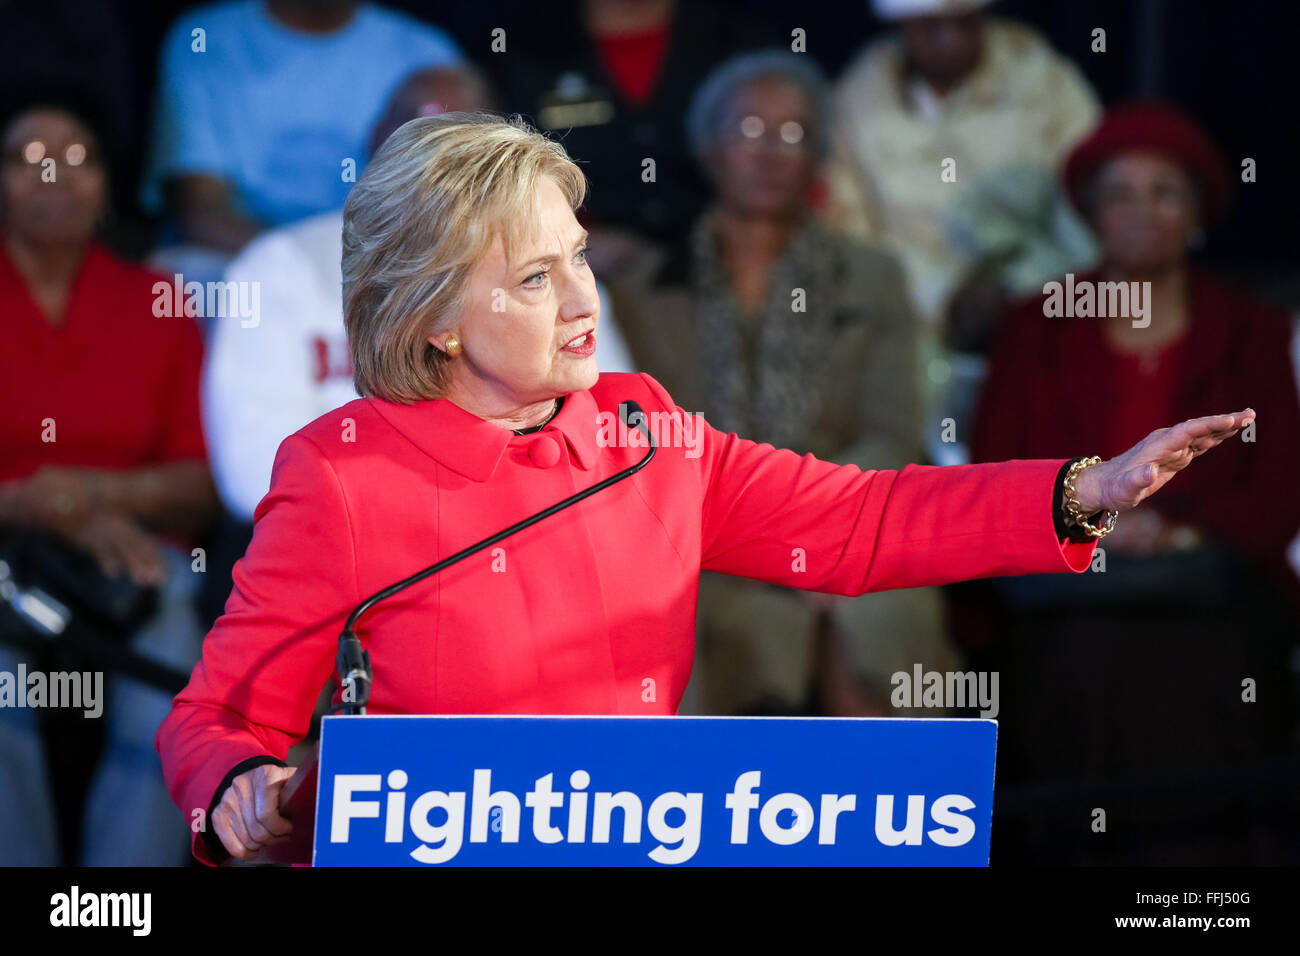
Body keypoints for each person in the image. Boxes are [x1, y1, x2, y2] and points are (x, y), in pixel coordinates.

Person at [152, 112, 1254, 865]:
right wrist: (241, 784)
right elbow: (219, 716)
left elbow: (855, 520)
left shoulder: (645, 430)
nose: (583, 296)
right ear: (434, 316)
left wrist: (1080, 491)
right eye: (535, 277)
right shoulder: (343, 473)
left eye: (578, 255)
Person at [967, 102, 1300, 803]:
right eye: (1119, 194)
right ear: (1091, 216)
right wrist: (1104, 530)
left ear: (1198, 211)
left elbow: (1277, 488)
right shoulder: (1036, 328)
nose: (1141, 212)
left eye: (1164, 192)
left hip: (1216, 581)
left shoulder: (1253, 331)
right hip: (1067, 585)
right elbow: (995, 474)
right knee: (1084, 655)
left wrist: (1174, 528)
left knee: (1212, 664)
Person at [608, 50, 952, 717]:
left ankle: (882, 819)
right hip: (704, 539)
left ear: (818, 155)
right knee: (684, 614)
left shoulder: (871, 275)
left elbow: (892, 431)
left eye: (793, 134)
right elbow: (640, 447)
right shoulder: (643, 287)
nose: (770, 151)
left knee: (881, 620)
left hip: (842, 523)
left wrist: (812, 529)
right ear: (709, 148)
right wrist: (756, 535)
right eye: (748, 130)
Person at [0, 93, 217, 864]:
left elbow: (201, 483)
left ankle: (124, 901)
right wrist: (28, 505)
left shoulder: (158, 301)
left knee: (173, 666)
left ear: (105, 184)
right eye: (28, 157)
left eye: (77, 157)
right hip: (2, 551)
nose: (54, 174)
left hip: (135, 552)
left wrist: (90, 498)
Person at [822, 0, 1101, 466]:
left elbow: (1089, 211)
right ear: (903, 26)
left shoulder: (1048, 85)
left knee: (1040, 460)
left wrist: (1016, 290)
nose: (951, 39)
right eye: (932, 26)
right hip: (907, 321)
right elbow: (850, 230)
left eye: (965, 23)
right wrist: (943, 297)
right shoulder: (855, 100)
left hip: (1039, 314)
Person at [140, 0, 463, 278]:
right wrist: (307, 264)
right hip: (243, 258)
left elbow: (458, 202)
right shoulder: (206, 39)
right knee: (180, 271)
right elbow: (199, 213)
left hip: (381, 262)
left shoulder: (426, 50)